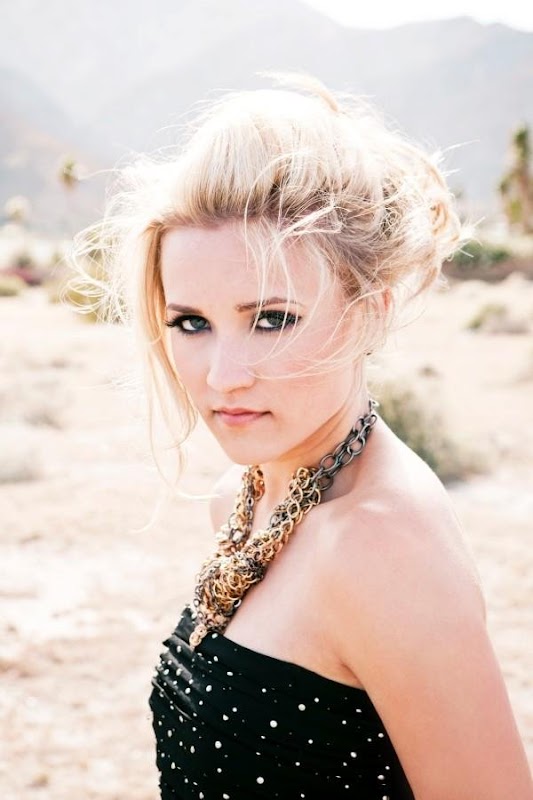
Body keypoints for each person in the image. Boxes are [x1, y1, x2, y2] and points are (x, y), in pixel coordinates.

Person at [72, 72, 533, 799]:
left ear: (370, 310)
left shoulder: (379, 543)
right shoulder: (243, 498)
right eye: (191, 322)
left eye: (271, 319)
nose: (223, 376)